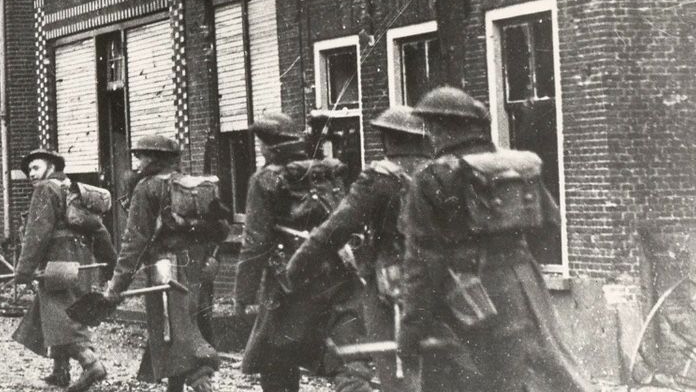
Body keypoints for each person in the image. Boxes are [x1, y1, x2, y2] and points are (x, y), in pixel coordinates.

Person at [397, 86, 591, 392]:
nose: (430, 135)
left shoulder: (431, 177)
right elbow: (550, 224)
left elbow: (422, 264)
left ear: (441, 128)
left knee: (474, 379)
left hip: (470, 298)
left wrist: (409, 332)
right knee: (548, 371)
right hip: (526, 287)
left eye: (431, 127)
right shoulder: (515, 165)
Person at [287, 106, 432, 392]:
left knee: (397, 371)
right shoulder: (442, 172)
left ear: (388, 139)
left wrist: (296, 266)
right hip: (444, 284)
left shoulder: (380, 178)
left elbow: (335, 229)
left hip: (393, 288)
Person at [235, 112, 369, 392]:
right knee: (342, 355)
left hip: (288, 281)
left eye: (261, 144)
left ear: (268, 146)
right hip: (334, 273)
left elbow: (255, 244)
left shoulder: (264, 180)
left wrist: (244, 294)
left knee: (275, 359)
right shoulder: (325, 172)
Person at [102, 135, 230, 392]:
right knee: (187, 326)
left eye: (143, 156)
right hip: (199, 266)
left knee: (174, 330)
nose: (138, 162)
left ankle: (200, 382)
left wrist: (116, 285)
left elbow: (133, 242)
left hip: (166, 268)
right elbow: (223, 227)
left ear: (155, 159)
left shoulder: (146, 188)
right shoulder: (193, 186)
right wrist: (214, 257)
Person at [12, 149, 110, 391]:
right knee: (53, 308)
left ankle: (91, 363)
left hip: (57, 257)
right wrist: (110, 262)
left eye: (35, 168)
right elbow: (98, 229)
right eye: (28, 171)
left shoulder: (45, 189)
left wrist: (23, 270)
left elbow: (37, 234)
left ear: (50, 165)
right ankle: (60, 372)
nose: (31, 174)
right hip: (80, 258)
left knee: (61, 312)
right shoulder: (72, 189)